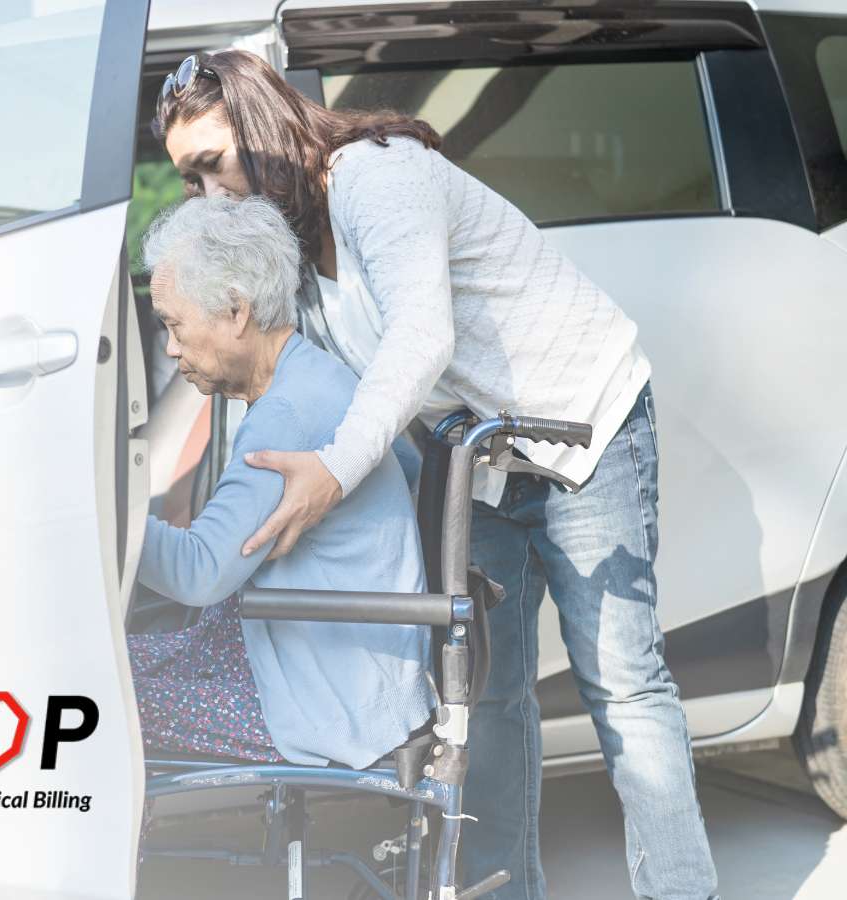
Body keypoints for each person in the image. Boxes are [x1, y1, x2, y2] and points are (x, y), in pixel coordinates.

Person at [152, 50, 717, 900]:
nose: (207, 193)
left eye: (210, 165)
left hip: (583, 429)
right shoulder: (294, 253)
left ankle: (684, 892)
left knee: (625, 686)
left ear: (261, 129)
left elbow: (422, 339)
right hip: (480, 454)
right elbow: (345, 393)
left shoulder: (378, 177)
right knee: (489, 702)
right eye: (188, 182)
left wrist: (334, 476)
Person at [132, 193, 435, 772]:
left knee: (88, 702)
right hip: (340, 674)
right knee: (106, 664)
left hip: (321, 703)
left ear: (236, 311)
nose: (171, 349)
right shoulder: (315, 373)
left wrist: (99, 521)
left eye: (175, 325)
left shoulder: (288, 414)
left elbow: (198, 571)